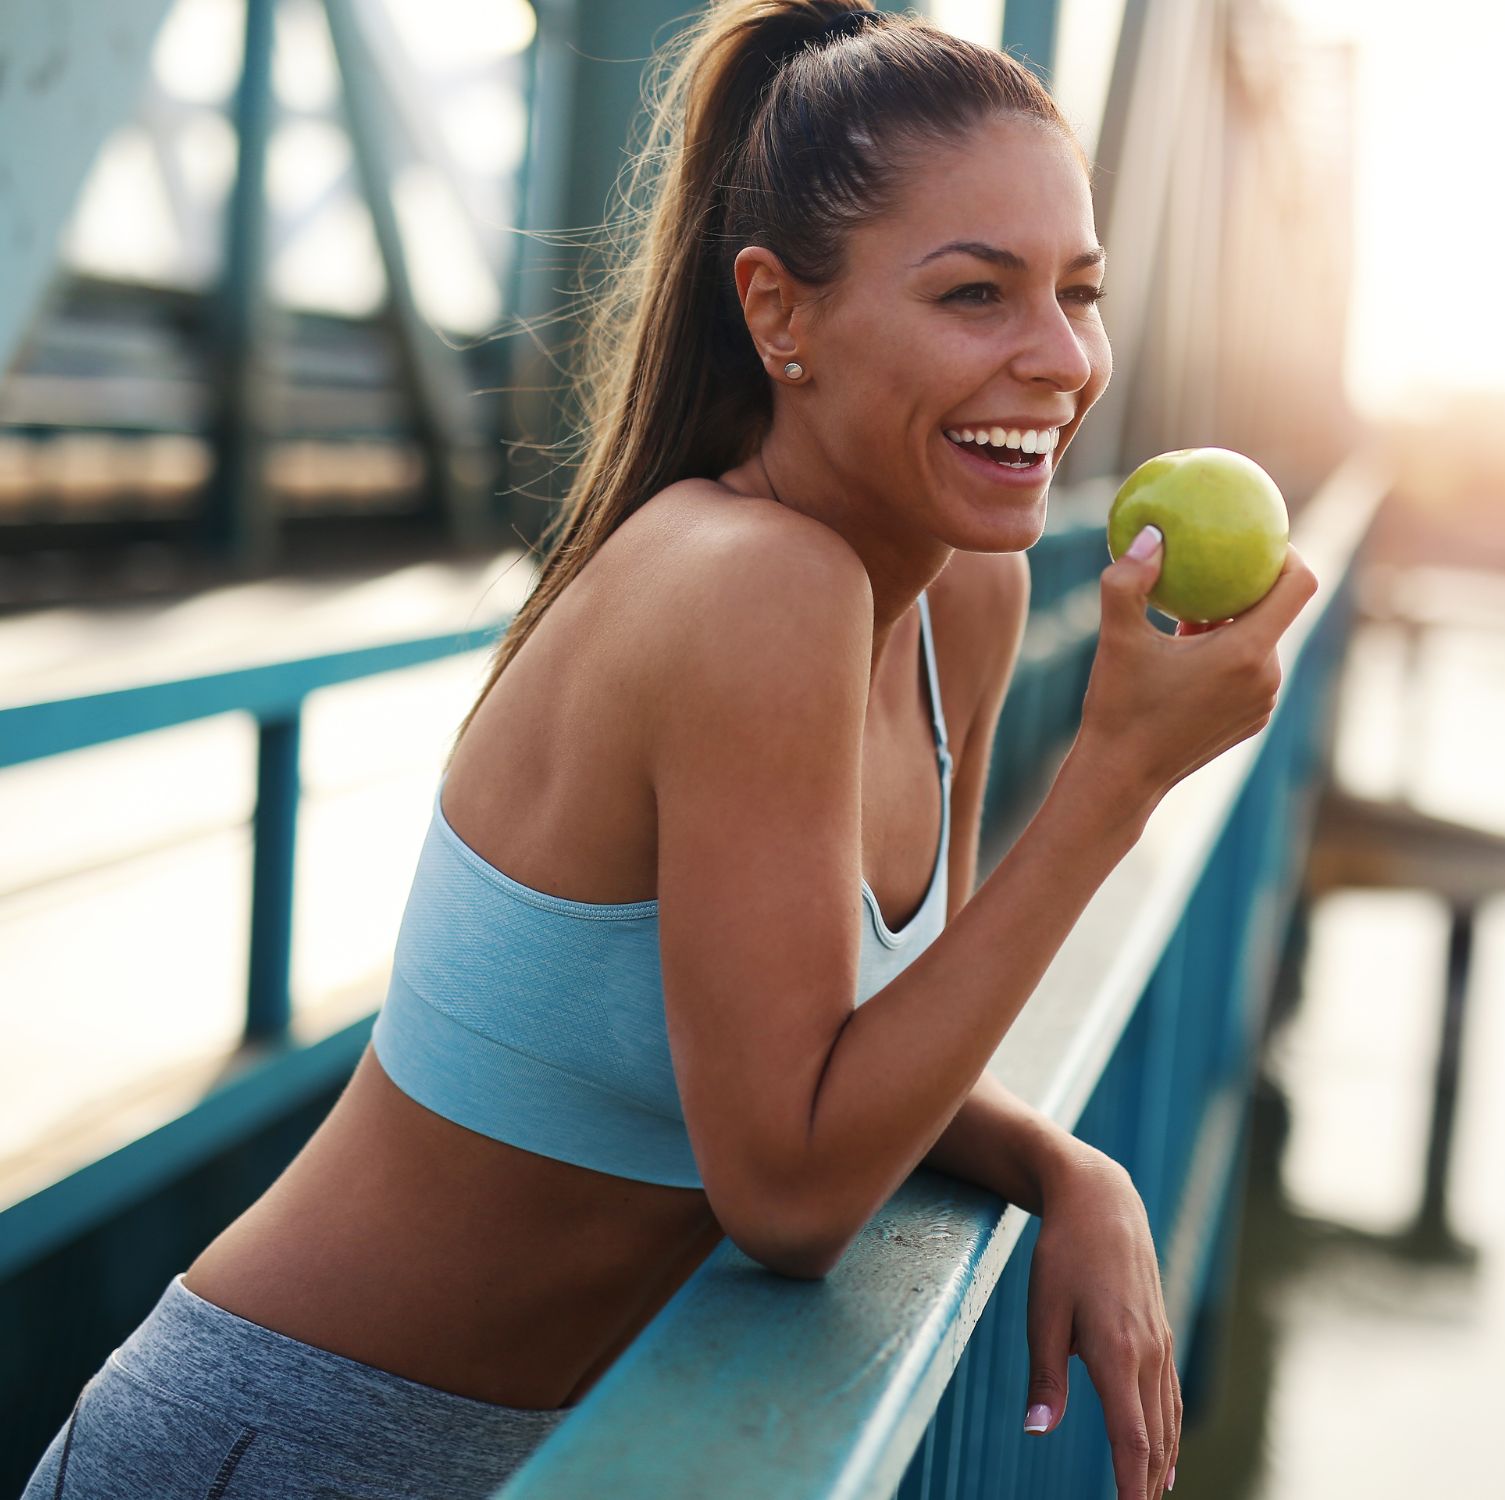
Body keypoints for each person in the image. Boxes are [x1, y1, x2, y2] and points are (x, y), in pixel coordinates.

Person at [21, 3, 1315, 1497]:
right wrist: (1115, 782)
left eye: (1078, 292)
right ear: (779, 314)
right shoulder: (752, 585)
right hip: (292, 1448)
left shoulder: (966, 593)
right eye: (976, 295)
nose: (1060, 359)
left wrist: (1059, 1166)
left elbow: (855, 1052)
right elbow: (791, 1187)